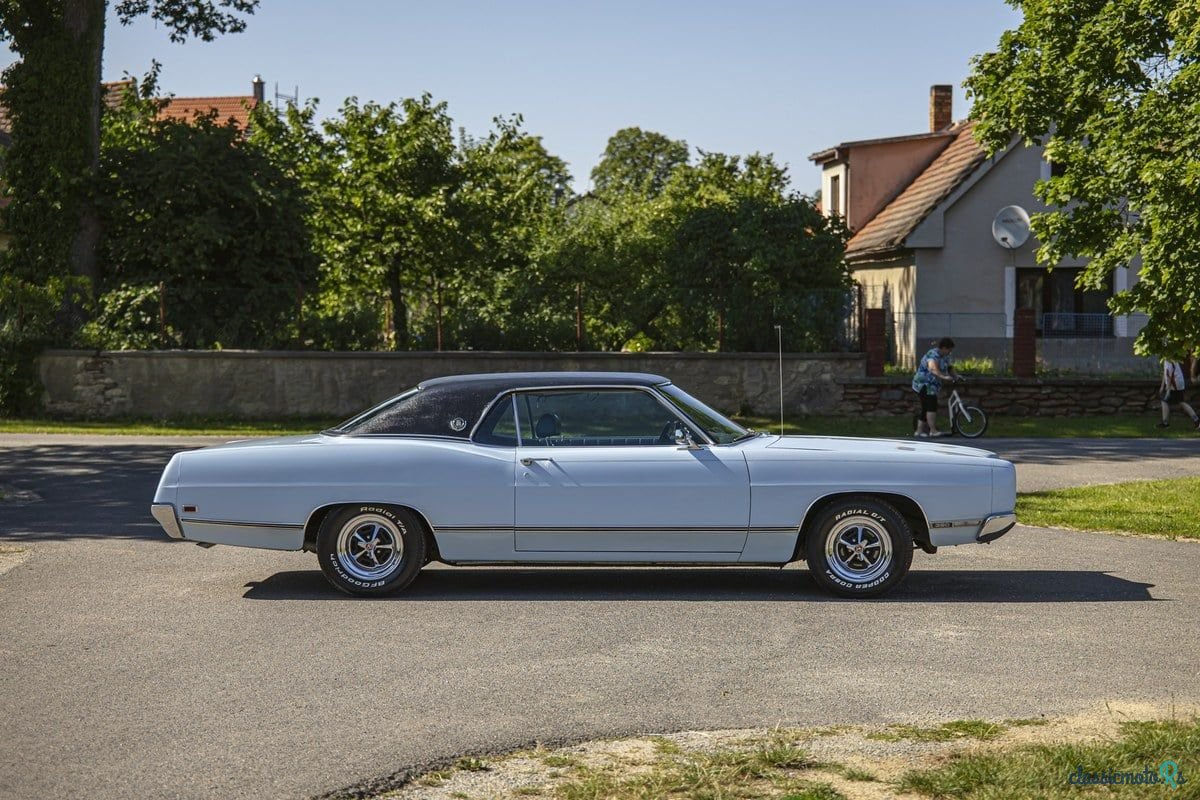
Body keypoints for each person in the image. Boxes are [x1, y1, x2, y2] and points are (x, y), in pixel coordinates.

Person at [912, 337, 958, 437]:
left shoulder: (945, 356)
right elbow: (932, 368)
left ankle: (918, 431)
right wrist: (943, 377)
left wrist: (956, 376)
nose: (950, 352)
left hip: (932, 385)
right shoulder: (932, 354)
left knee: (926, 408)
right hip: (924, 384)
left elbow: (950, 368)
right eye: (949, 349)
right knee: (931, 407)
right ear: (944, 348)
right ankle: (933, 431)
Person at [1158, 357, 1200, 430]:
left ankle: (1165, 423)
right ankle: (1196, 420)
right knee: (1178, 402)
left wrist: (1167, 388)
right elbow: (1165, 373)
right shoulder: (1166, 359)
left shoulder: (1169, 359)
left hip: (1175, 384)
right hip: (1176, 383)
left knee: (1167, 401)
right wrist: (1162, 386)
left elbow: (1170, 375)